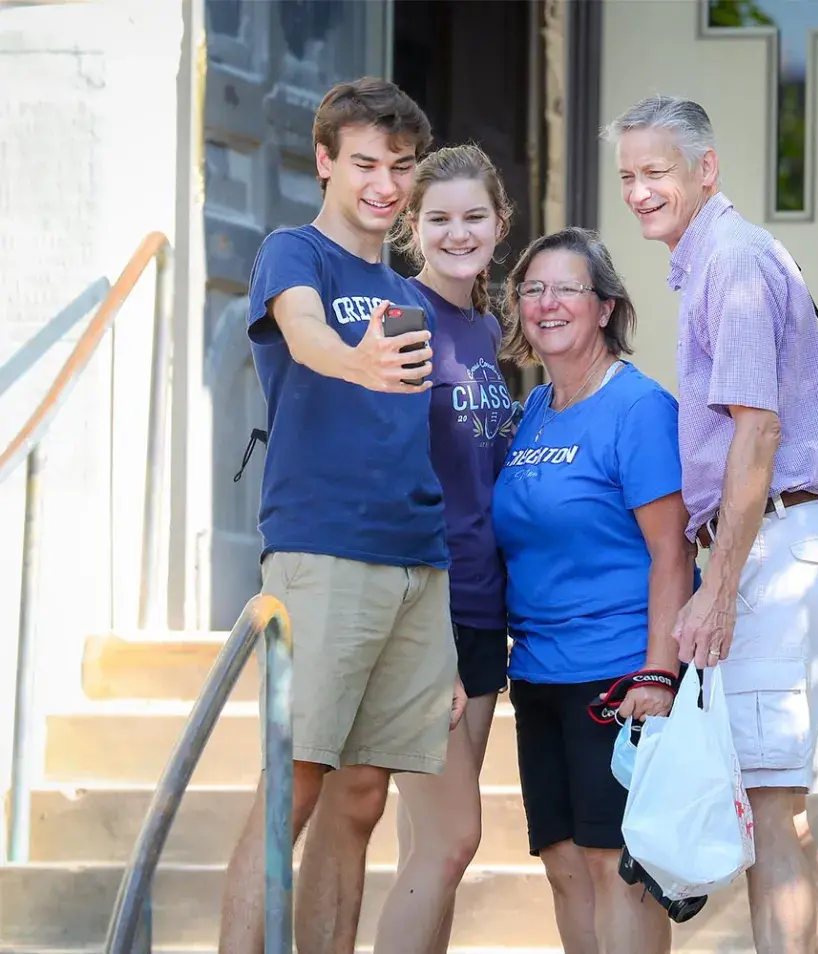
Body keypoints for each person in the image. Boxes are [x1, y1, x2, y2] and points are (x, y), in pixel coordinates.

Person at [604, 95, 818, 954]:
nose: (639, 191)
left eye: (657, 171)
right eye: (628, 175)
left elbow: (758, 433)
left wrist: (716, 590)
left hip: (774, 553)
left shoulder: (733, 262)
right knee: (785, 815)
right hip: (787, 545)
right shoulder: (718, 258)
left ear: (705, 169)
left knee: (770, 812)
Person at [220, 78, 463, 954]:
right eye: (365, 163)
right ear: (325, 161)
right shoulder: (294, 253)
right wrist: (355, 362)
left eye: (400, 166)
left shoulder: (407, 291)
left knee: (362, 796)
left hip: (415, 563)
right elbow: (305, 332)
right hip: (323, 552)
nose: (385, 184)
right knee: (292, 786)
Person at [492, 227, 695, 954]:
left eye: (567, 289)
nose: (547, 303)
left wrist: (658, 672)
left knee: (619, 870)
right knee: (563, 864)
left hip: (616, 675)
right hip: (537, 671)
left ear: (605, 307)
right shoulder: (534, 411)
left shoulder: (639, 409)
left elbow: (672, 551)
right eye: (533, 289)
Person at [369, 143, 518, 954]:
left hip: (482, 607)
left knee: (432, 852)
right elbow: (389, 476)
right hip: (428, 607)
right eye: (439, 219)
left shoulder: (485, 327)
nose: (458, 233)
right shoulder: (400, 315)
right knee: (453, 837)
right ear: (412, 227)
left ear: (499, 224)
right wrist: (425, 635)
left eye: (473, 217)